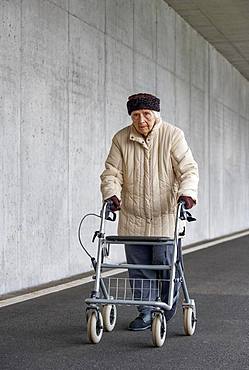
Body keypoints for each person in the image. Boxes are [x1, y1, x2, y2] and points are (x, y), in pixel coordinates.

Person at [100, 93, 199, 331]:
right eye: (136, 115)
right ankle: (146, 312)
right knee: (139, 269)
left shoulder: (173, 135)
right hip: (132, 218)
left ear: (155, 114)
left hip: (165, 219)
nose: (141, 120)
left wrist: (187, 193)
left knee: (165, 267)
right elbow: (111, 172)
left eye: (146, 114)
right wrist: (112, 194)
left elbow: (188, 169)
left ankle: (163, 309)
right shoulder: (121, 139)